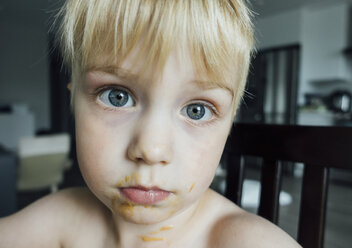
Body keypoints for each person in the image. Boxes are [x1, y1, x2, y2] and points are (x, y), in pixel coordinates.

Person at [0, 0, 300, 247]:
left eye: (197, 110)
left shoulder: (247, 242)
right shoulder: (60, 216)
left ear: (229, 123)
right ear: (74, 104)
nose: (152, 149)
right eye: (117, 96)